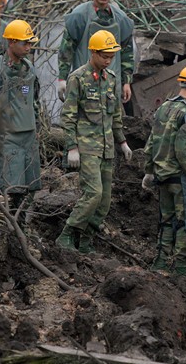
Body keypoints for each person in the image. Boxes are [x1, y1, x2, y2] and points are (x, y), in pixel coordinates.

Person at [56, 30, 133, 254]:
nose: (108, 60)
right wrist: (71, 147)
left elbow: (115, 115)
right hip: (86, 147)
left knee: (104, 201)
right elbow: (68, 115)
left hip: (107, 148)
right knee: (93, 194)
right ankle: (67, 234)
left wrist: (123, 142)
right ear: (92, 52)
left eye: (111, 56)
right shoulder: (78, 78)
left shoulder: (112, 79)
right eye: (104, 55)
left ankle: (86, 241)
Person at [141, 65, 186, 276]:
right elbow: (183, 149)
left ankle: (161, 261)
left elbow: (152, 141)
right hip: (180, 177)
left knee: (165, 219)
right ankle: (180, 265)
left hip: (162, 176)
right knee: (183, 220)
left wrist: (149, 170)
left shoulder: (164, 108)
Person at [0, 20, 41, 224]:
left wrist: (36, 126)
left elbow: (34, 101)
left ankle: (21, 228)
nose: (29, 47)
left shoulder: (29, 69)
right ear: (11, 42)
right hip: (6, 137)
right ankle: (1, 230)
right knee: (7, 190)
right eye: (25, 43)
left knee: (30, 188)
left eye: (30, 43)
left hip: (28, 136)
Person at [57, 0, 134, 113]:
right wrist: (62, 78)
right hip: (85, 84)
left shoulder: (121, 19)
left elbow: (127, 53)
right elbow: (66, 49)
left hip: (112, 86)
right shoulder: (79, 16)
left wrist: (126, 82)